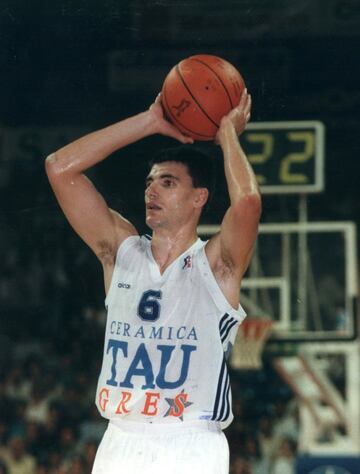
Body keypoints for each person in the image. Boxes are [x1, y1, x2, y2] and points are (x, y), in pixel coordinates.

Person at [45, 87, 261, 474]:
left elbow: (247, 203)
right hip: (120, 439)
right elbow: (60, 167)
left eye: (167, 182)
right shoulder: (121, 251)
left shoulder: (217, 265)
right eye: (149, 182)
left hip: (191, 441)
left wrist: (227, 132)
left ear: (199, 198)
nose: (151, 190)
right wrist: (148, 122)